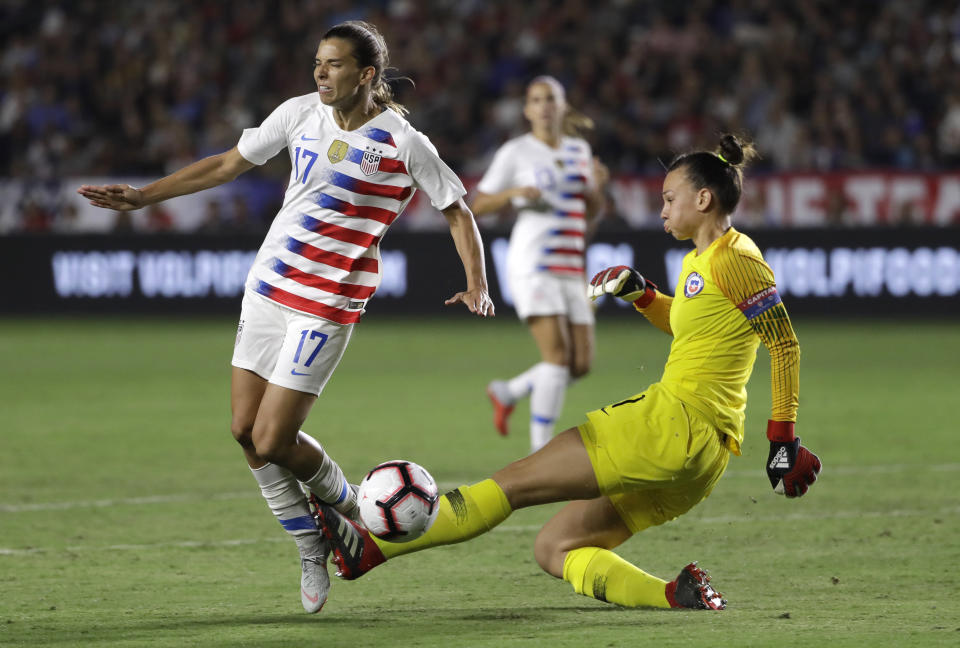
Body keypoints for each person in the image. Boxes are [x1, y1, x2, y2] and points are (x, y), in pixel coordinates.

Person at [77, 20, 494, 614]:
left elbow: (457, 210)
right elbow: (225, 164)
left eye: (334, 64)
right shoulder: (299, 113)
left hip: (328, 301)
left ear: (367, 74)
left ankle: (350, 507)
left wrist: (475, 283)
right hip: (269, 287)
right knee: (244, 432)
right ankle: (310, 543)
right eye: (318, 63)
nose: (320, 73)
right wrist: (145, 196)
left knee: (274, 437)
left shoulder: (404, 142)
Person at [312, 134, 822, 610]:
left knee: (511, 485)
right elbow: (692, 330)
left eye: (670, 198)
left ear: (704, 200)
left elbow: (784, 344)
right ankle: (675, 594)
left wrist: (783, 441)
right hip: (700, 456)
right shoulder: (700, 262)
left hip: (673, 425)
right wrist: (642, 294)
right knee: (554, 547)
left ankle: (371, 547)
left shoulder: (735, 261)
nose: (662, 208)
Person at [472, 75, 609, 453]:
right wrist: (514, 193)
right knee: (557, 357)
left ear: (563, 106)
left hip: (570, 265)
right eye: (537, 99)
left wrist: (596, 188)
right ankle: (540, 453)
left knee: (580, 364)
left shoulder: (580, 150)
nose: (545, 105)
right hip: (533, 263)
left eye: (551, 98)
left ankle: (509, 391)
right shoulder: (516, 152)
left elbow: (591, 212)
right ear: (527, 110)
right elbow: (477, 204)